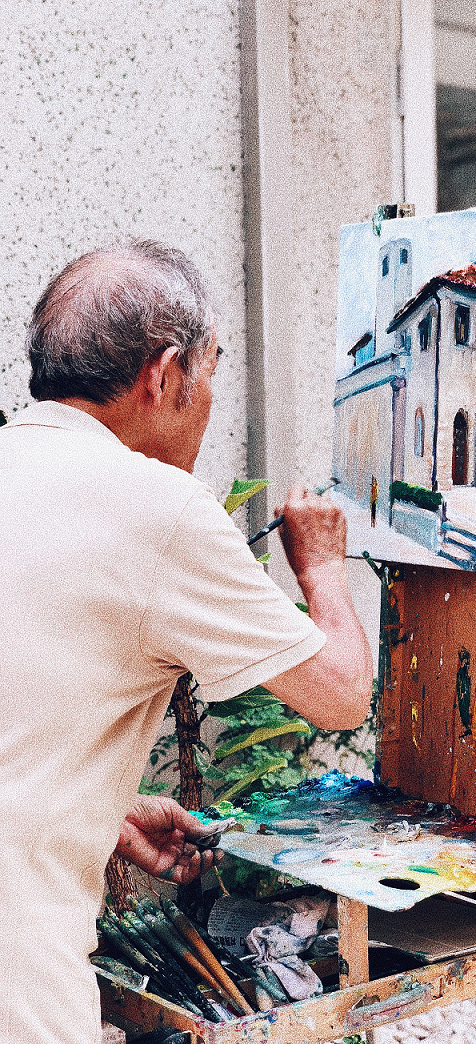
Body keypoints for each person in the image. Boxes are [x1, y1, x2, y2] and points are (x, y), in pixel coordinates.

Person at [0, 240, 373, 1044]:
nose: (208, 401)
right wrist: (325, 567)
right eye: (211, 373)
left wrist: (101, 807)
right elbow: (341, 695)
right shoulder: (158, 506)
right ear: (163, 374)